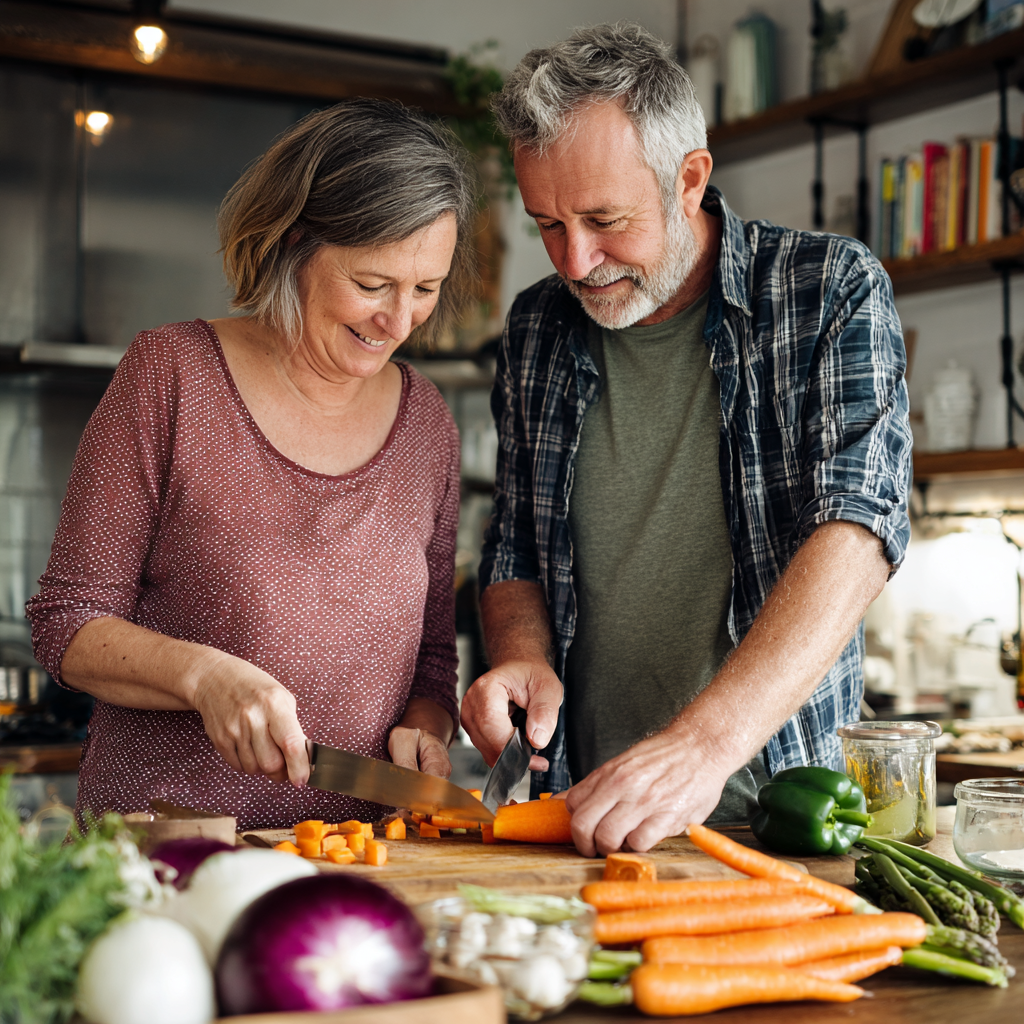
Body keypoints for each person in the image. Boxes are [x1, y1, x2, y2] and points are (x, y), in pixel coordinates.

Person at [461, 24, 912, 857]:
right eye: (548, 224)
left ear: (689, 179)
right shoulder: (537, 328)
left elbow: (857, 528)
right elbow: (516, 542)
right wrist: (522, 657)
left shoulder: (828, 290)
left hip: (780, 811)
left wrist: (702, 747)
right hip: (589, 812)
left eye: (604, 219)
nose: (576, 260)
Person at [26, 99, 477, 829]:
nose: (400, 322)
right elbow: (68, 623)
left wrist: (425, 727)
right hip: (171, 844)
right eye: (372, 284)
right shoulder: (171, 374)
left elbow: (430, 658)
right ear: (293, 245)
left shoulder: (426, 421)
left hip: (357, 856)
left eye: (424, 290)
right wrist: (203, 676)